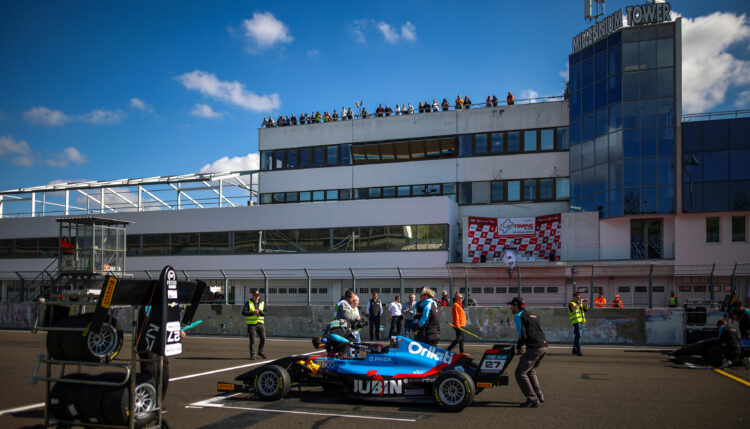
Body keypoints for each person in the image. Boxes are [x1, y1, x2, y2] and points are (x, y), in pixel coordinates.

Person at [508, 297, 548, 408]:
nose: (511, 307)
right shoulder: (532, 315)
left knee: (520, 373)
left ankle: (532, 398)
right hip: (544, 345)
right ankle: (539, 395)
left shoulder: (519, 316)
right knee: (529, 370)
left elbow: (522, 335)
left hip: (535, 347)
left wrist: (519, 347)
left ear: (516, 306)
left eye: (512, 305)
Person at [242, 290, 266, 359]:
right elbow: (244, 312)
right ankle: (252, 355)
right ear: (252, 295)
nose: (257, 297)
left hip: (260, 324)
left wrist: (260, 312)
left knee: (263, 339)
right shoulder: (248, 303)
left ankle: (260, 352)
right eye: (255, 295)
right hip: (252, 325)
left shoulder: (262, 302)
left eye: (258, 295)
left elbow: (265, 312)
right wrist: (253, 312)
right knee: (253, 340)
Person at [568, 292, 588, 356]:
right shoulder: (571, 303)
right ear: (574, 297)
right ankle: (579, 351)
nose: (579, 298)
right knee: (579, 336)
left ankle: (574, 349)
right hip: (576, 322)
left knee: (577, 336)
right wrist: (580, 303)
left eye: (579, 297)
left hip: (581, 322)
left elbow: (586, 309)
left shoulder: (580, 304)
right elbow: (573, 309)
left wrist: (586, 303)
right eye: (577, 297)